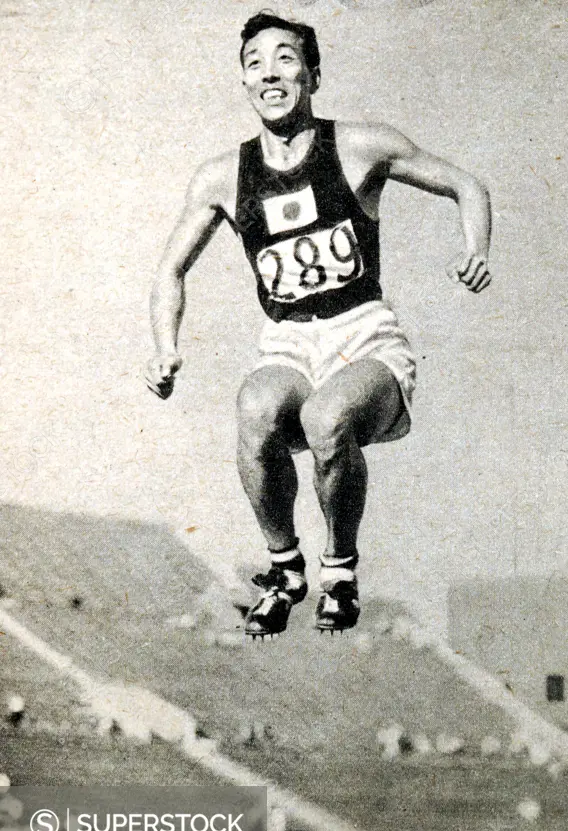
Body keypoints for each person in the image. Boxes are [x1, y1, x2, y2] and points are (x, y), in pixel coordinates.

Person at [146, 12, 492, 638]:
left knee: (328, 419)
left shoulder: (361, 145)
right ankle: (284, 568)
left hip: (363, 333)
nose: (270, 72)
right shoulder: (222, 176)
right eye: (255, 62)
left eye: (285, 58)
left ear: (312, 74)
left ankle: (341, 568)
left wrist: (476, 248)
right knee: (254, 407)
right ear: (245, 82)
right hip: (288, 338)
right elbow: (170, 270)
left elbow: (466, 184)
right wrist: (164, 348)